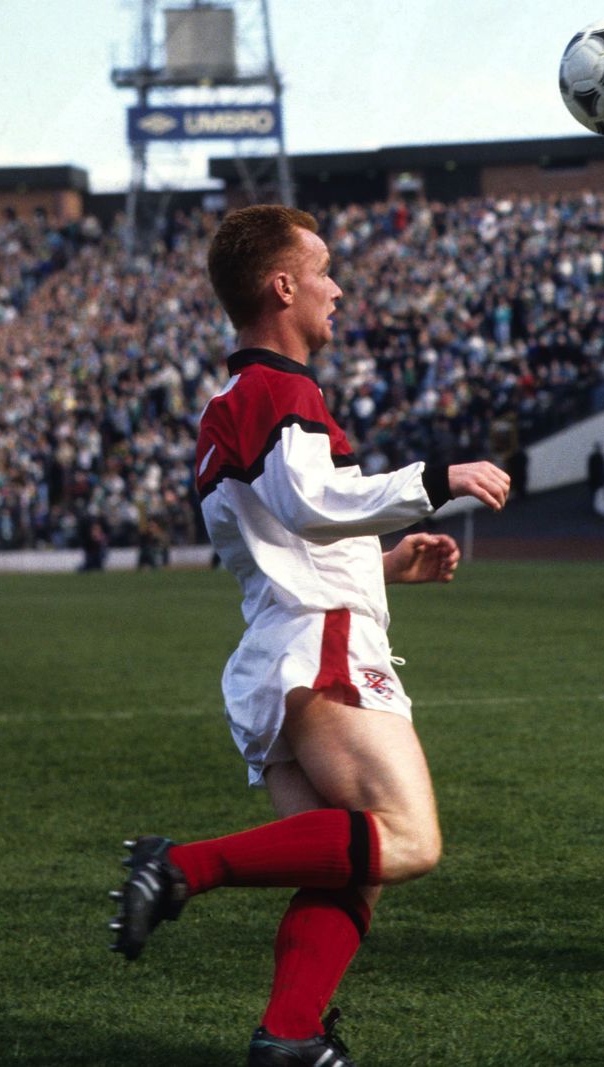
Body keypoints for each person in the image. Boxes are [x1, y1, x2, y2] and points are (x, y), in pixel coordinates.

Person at [107, 205, 510, 1065]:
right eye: (322, 268)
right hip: (321, 647)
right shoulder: (281, 389)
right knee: (408, 837)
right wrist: (436, 477)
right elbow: (309, 503)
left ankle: (288, 1036)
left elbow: (281, 538)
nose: (336, 286)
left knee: (350, 866)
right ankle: (179, 865)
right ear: (281, 285)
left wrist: (391, 563)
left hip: (279, 647)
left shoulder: (233, 401)